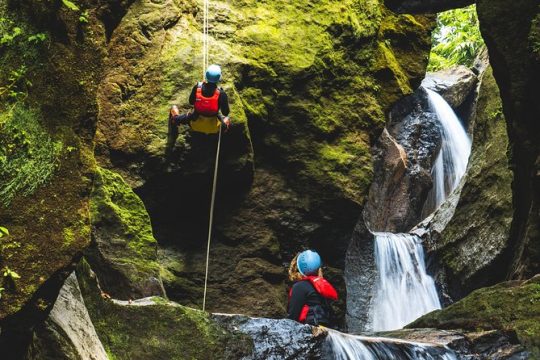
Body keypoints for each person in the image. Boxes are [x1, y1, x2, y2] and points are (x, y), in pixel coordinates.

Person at [167, 64, 232, 150]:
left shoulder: (198, 88)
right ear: (219, 78)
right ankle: (225, 127)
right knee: (226, 119)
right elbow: (225, 112)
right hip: (213, 128)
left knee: (185, 117)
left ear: (206, 76)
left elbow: (191, 101)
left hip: (194, 123)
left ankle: (175, 118)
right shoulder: (221, 94)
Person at [287, 250, 338, 327]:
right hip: (325, 328)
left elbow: (292, 317)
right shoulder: (321, 287)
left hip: (310, 328)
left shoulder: (300, 287)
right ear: (318, 269)